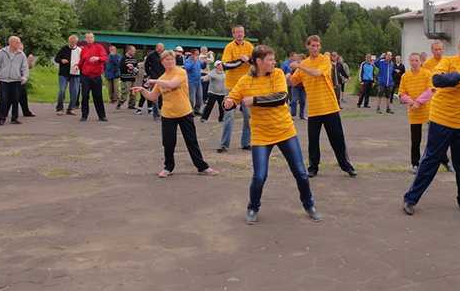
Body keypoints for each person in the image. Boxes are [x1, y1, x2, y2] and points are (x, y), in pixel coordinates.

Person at [224, 44, 321, 224]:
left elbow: (280, 98)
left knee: (300, 173)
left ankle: (309, 205)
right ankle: (253, 207)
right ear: (259, 62)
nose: (274, 62)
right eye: (270, 59)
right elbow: (233, 96)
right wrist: (228, 101)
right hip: (261, 135)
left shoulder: (277, 74)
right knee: (259, 176)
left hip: (285, 131)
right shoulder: (246, 80)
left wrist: (254, 100)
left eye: (273, 59)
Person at [403, 33, 460, 215]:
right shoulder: (449, 62)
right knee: (430, 161)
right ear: (459, 46)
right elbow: (437, 80)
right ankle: (410, 199)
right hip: (441, 120)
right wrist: (459, 76)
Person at [132, 50, 219, 178]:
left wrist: (154, 81)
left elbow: (172, 84)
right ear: (162, 62)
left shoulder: (180, 72)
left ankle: (202, 167)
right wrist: (142, 90)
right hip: (168, 115)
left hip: (184, 112)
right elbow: (152, 97)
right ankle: (168, 167)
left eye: (171, 59)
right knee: (168, 143)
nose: (170, 62)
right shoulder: (161, 79)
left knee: (191, 141)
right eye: (166, 60)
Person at [289, 35, 357, 178]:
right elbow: (293, 82)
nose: (315, 48)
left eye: (317, 45)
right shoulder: (304, 63)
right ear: (307, 46)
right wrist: (282, 72)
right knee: (313, 141)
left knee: (337, 139)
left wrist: (299, 65)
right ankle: (313, 167)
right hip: (314, 110)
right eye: (312, 45)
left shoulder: (324, 59)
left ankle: (346, 166)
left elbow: (317, 73)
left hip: (329, 107)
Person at [218, 25, 254, 153]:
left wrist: (248, 59)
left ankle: (246, 143)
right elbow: (226, 65)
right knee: (228, 116)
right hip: (232, 87)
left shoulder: (249, 46)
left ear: (244, 34)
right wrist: (241, 60)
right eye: (237, 32)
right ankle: (224, 144)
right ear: (233, 34)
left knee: (248, 116)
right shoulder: (229, 47)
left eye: (241, 32)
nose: (239, 34)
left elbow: (256, 62)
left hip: (247, 86)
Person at [398, 53, 433, 172]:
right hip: (413, 112)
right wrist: (412, 102)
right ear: (409, 61)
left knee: (434, 139)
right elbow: (401, 93)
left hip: (427, 111)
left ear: (420, 62)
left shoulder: (427, 73)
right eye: (412, 60)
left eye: (416, 60)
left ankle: (439, 161)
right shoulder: (405, 76)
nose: (414, 62)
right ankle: (415, 164)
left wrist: (418, 102)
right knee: (415, 140)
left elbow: (430, 90)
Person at [0, 36, 28, 126]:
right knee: (3, 100)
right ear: (11, 43)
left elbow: (25, 67)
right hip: (3, 80)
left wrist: (24, 77)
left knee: (15, 99)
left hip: (16, 80)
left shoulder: (21, 54)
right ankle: (1, 118)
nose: (19, 44)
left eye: (19, 43)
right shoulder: (2, 52)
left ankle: (14, 118)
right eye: (17, 43)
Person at [77, 32, 108, 122]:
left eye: (91, 37)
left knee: (98, 96)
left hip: (96, 76)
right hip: (85, 76)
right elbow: (81, 62)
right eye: (88, 38)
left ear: (94, 38)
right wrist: (77, 67)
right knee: (85, 96)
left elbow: (105, 58)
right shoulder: (84, 49)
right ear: (85, 39)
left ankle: (102, 116)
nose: (89, 39)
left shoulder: (99, 47)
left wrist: (98, 58)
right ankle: (84, 115)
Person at [54, 35, 82, 115]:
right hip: (64, 73)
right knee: (62, 90)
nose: (72, 43)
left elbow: (82, 61)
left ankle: (71, 108)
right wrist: (61, 60)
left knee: (75, 92)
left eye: (74, 42)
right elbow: (56, 59)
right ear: (68, 41)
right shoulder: (64, 49)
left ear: (76, 42)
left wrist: (78, 66)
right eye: (71, 42)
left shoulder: (79, 50)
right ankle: (59, 108)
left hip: (75, 73)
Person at [143, 43, 166, 119]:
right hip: (154, 78)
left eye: (162, 49)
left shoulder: (165, 54)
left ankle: (162, 113)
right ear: (156, 48)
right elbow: (146, 65)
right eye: (159, 48)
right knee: (154, 96)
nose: (160, 50)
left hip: (163, 78)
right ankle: (155, 114)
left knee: (162, 96)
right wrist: (149, 73)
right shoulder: (151, 55)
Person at [116, 45, 139, 110]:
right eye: (133, 51)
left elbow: (137, 68)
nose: (134, 52)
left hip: (133, 78)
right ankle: (120, 102)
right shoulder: (123, 58)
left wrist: (134, 68)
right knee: (125, 93)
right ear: (129, 51)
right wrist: (127, 67)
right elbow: (121, 68)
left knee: (133, 92)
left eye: (134, 51)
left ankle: (131, 105)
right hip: (125, 79)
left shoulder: (134, 59)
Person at [183, 48, 205, 115]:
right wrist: (193, 62)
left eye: (198, 54)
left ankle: (197, 110)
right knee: (192, 98)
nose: (197, 56)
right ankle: (190, 111)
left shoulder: (198, 60)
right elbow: (187, 68)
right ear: (192, 54)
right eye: (196, 54)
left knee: (200, 97)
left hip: (198, 81)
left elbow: (203, 67)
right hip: (191, 82)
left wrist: (205, 62)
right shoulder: (188, 61)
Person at [18, 46, 36, 117]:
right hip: (13, 79)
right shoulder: (13, 57)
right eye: (20, 49)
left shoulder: (22, 56)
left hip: (22, 79)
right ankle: (5, 112)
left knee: (23, 96)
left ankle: (26, 112)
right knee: (12, 97)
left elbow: (29, 67)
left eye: (22, 49)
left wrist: (30, 62)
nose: (21, 51)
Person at [289, 54, 307, 119]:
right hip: (295, 86)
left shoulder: (306, 67)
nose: (299, 60)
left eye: (300, 59)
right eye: (298, 59)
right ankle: (292, 114)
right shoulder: (295, 67)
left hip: (303, 87)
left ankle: (301, 115)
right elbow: (290, 74)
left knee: (303, 101)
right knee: (294, 100)